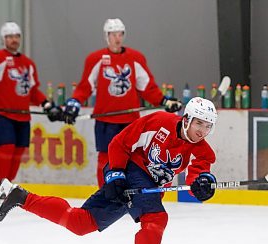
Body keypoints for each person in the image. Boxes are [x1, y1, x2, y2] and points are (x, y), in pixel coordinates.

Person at [0, 97, 218, 244]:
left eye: (208, 126)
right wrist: (116, 174)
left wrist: (202, 185)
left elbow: (197, 176)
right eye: (199, 123)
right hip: (131, 171)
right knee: (156, 217)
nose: (202, 131)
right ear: (186, 119)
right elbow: (120, 143)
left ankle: (18, 196)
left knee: (81, 222)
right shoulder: (159, 122)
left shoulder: (203, 150)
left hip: (146, 188)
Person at [53, 18, 182, 187]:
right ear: (106, 36)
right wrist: (74, 103)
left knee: (133, 157)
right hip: (106, 120)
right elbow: (86, 86)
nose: (117, 38)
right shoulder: (96, 59)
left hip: (131, 121)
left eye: (120, 34)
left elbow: (147, 87)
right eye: (113, 34)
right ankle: (105, 192)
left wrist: (164, 100)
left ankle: (131, 191)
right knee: (105, 158)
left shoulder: (136, 58)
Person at [0, 22, 61, 185]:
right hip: (1, 114)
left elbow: (32, 91)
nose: (14, 40)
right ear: (3, 39)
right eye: (10, 37)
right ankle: (0, 185)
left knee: (18, 152)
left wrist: (47, 105)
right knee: (6, 148)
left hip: (22, 117)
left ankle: (8, 187)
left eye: (17, 36)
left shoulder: (28, 63)